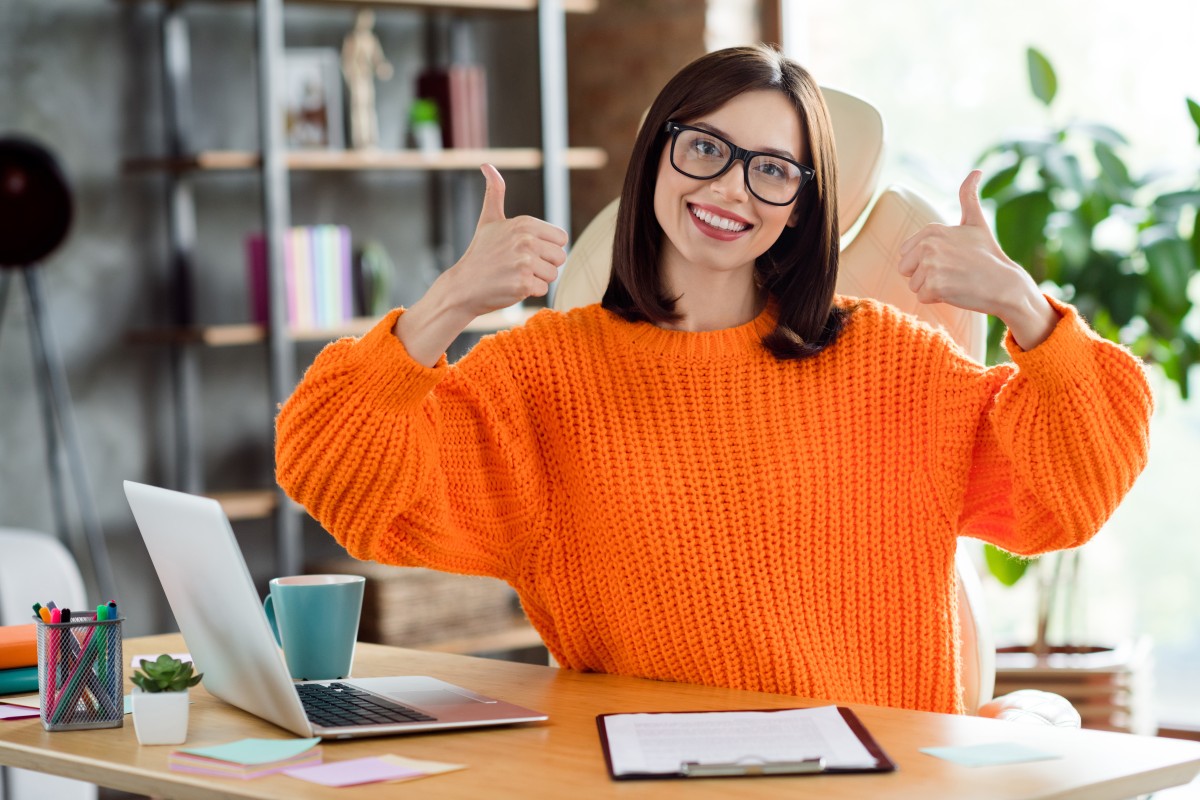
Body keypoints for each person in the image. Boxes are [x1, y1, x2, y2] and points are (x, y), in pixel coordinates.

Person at [276, 45, 1152, 716]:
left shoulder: (893, 364)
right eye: (706, 148)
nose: (731, 188)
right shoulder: (541, 377)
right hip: (637, 779)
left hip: (878, 773)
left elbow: (1073, 488)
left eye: (772, 168)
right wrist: (450, 302)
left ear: (804, 203)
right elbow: (330, 469)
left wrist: (1026, 311)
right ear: (657, 153)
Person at [341, 9, 393, 150]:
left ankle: (371, 140)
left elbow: (378, 59)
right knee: (358, 110)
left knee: (369, 108)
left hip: (367, 78)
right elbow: (346, 62)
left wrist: (382, 67)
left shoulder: (371, 40)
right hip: (356, 79)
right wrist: (349, 77)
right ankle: (360, 141)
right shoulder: (352, 39)